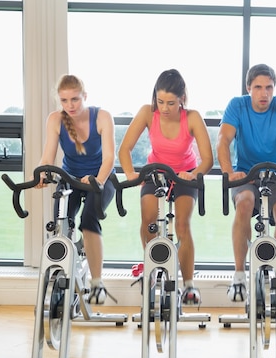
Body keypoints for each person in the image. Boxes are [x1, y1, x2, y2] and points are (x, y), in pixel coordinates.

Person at [216, 63, 276, 302]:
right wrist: (228, 172)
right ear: (248, 87)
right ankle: (239, 275)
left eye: (269, 87)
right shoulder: (237, 106)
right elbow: (223, 140)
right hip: (245, 174)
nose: (264, 93)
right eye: (258, 87)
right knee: (245, 202)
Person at [118, 69, 213, 305]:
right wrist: (131, 173)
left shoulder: (192, 118)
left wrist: (194, 175)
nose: (165, 108)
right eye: (160, 101)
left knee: (182, 223)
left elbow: (208, 160)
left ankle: (189, 285)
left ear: (182, 98)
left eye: (171, 102)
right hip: (156, 172)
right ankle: (151, 268)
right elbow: (124, 149)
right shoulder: (147, 113)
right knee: (149, 220)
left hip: (184, 176)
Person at [37, 74, 116, 304]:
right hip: (70, 178)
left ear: (85, 96)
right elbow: (48, 156)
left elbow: (109, 158)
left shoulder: (102, 117)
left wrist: (97, 182)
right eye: (64, 100)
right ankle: (64, 273)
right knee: (61, 223)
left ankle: (97, 283)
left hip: (101, 177)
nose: (69, 105)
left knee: (89, 220)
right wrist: (42, 173)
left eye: (75, 99)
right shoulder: (55, 120)